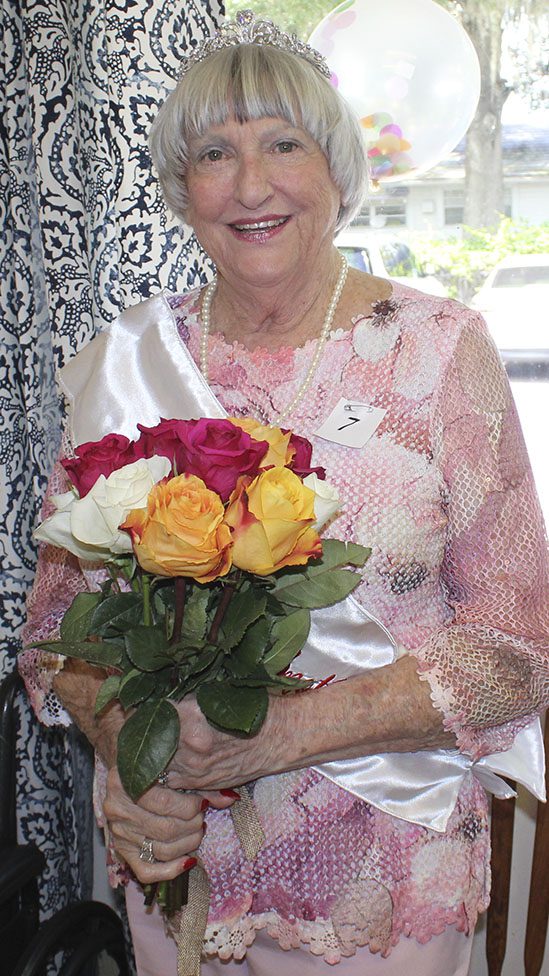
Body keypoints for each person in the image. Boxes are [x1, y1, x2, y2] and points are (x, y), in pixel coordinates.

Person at [20, 10, 549, 976]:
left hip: (385, 863)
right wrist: (135, 758)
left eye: (283, 144)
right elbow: (60, 631)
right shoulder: (130, 360)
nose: (251, 184)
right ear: (181, 189)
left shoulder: (441, 350)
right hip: (180, 853)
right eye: (214, 154)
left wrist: (272, 737)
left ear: (337, 172)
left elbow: (516, 645)